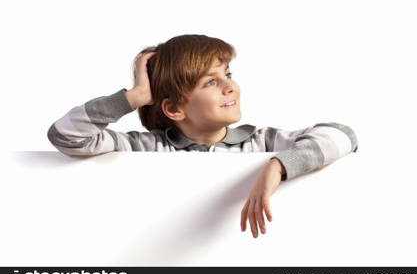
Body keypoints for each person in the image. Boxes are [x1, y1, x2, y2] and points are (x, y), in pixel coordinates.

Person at [47, 34, 358, 239]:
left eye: (229, 75)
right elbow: (67, 136)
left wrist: (278, 165)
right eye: (210, 82)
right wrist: (136, 96)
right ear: (173, 109)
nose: (230, 87)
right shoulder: (143, 148)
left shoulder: (261, 142)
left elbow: (343, 134)